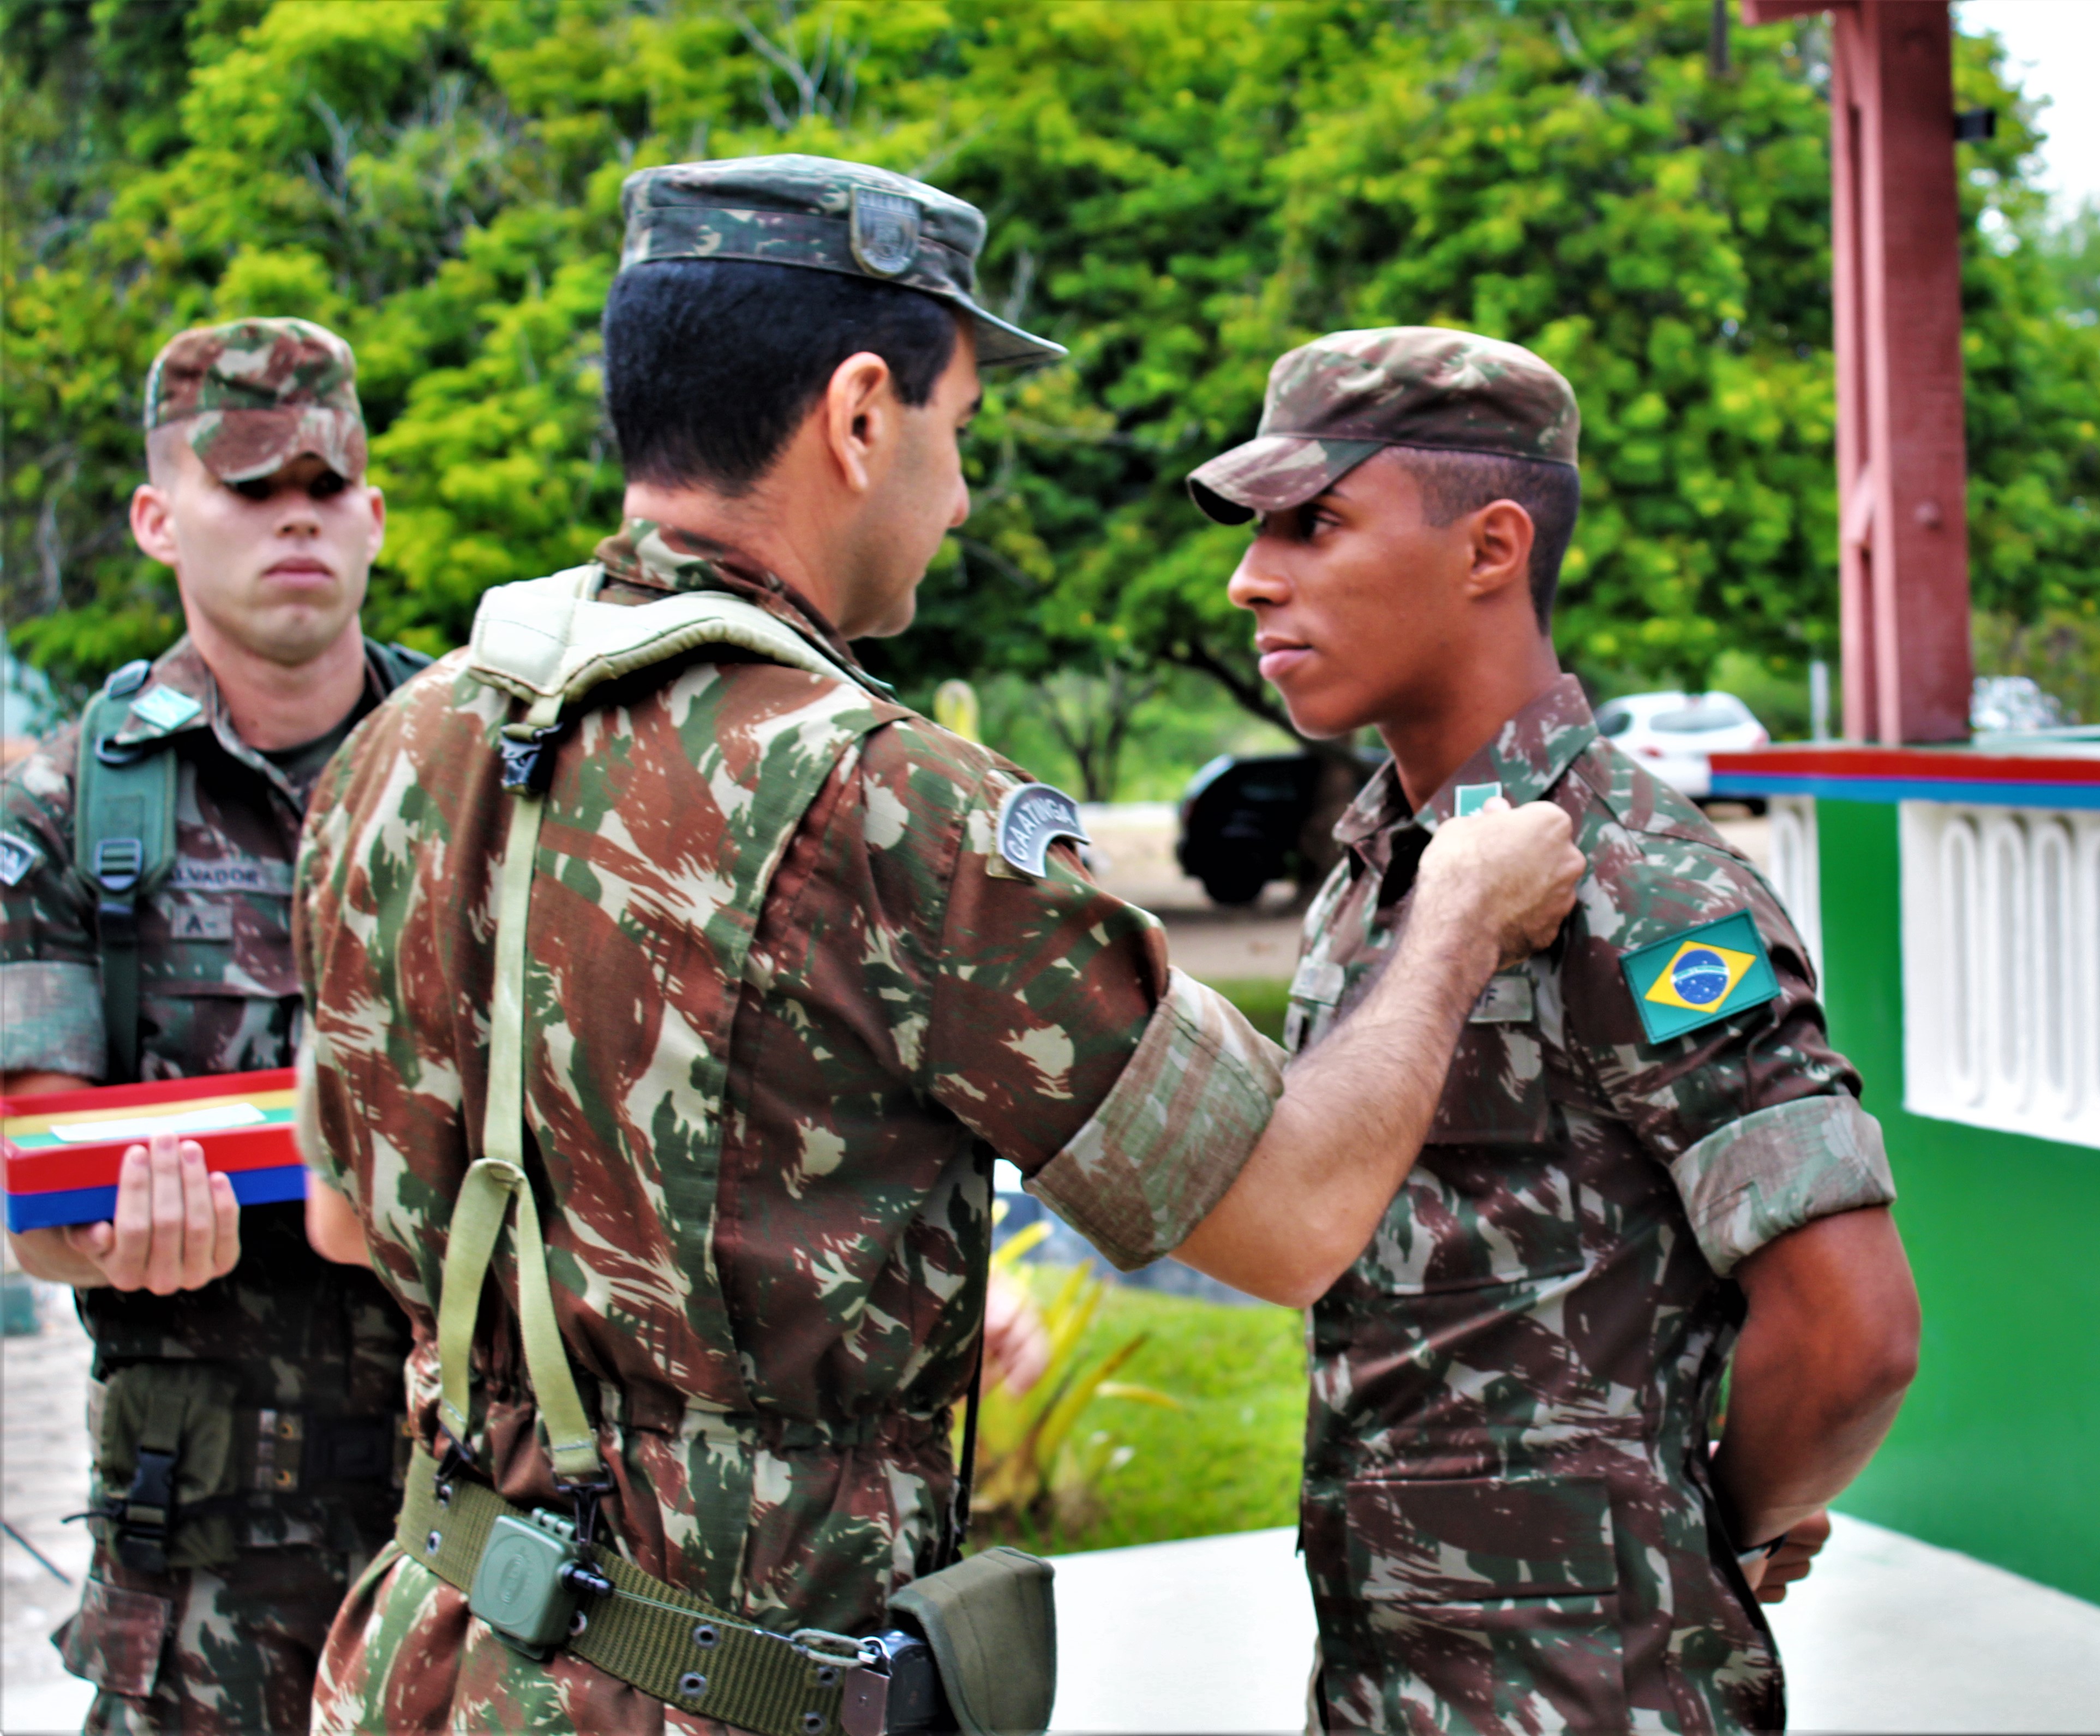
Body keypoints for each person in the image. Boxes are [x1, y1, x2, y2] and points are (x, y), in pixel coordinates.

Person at [291, 156, 1583, 1733]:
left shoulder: (393, 751)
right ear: (856, 417)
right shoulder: (888, 805)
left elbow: (355, 1230)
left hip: (421, 1663)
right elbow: (1296, 1214)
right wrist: (1454, 913)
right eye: (957, 430)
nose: (961, 494)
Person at [1187, 326, 1923, 1734]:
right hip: (1392, 1679)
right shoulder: (1377, 874)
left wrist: (1725, 1518)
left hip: (1599, 1693)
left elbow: (1852, 1327)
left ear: (1492, 548)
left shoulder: (1642, 884)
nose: (1251, 576)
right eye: (1258, 531)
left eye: (1315, 523)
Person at [0, 318, 427, 1735]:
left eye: (324, 483)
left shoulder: (491, 781)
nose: (293, 514)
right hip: (195, 1593)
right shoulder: (64, 810)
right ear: (156, 518)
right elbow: (42, 1193)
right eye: (247, 487)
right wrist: (106, 1227)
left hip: (476, 1567)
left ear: (373, 514)